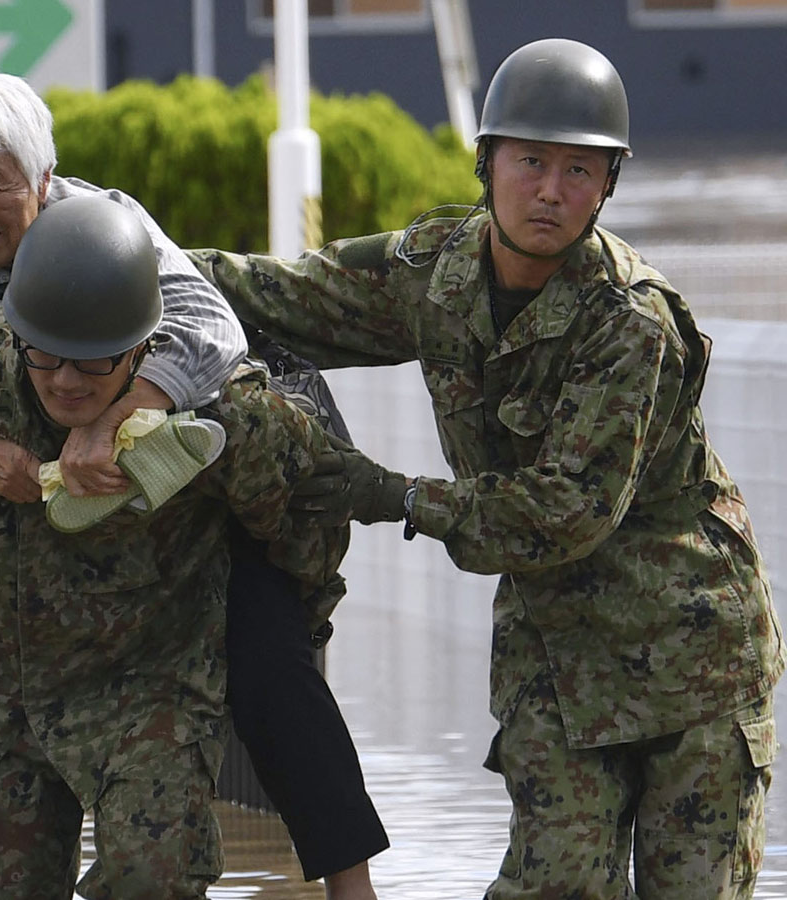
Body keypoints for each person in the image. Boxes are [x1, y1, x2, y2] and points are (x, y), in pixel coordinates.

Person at [190, 38, 785, 900]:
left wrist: (394, 494)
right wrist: (121, 262)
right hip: (557, 659)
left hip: (690, 668)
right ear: (487, 161)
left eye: (580, 172)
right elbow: (284, 293)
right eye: (531, 162)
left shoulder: (632, 321)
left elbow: (568, 510)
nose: (551, 191)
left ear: (608, 186)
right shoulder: (440, 272)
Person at [0, 72, 387, 899]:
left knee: (271, 652)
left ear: (42, 185)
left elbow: (215, 333)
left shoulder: (114, 237)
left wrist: (122, 412)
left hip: (159, 541)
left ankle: (351, 884)